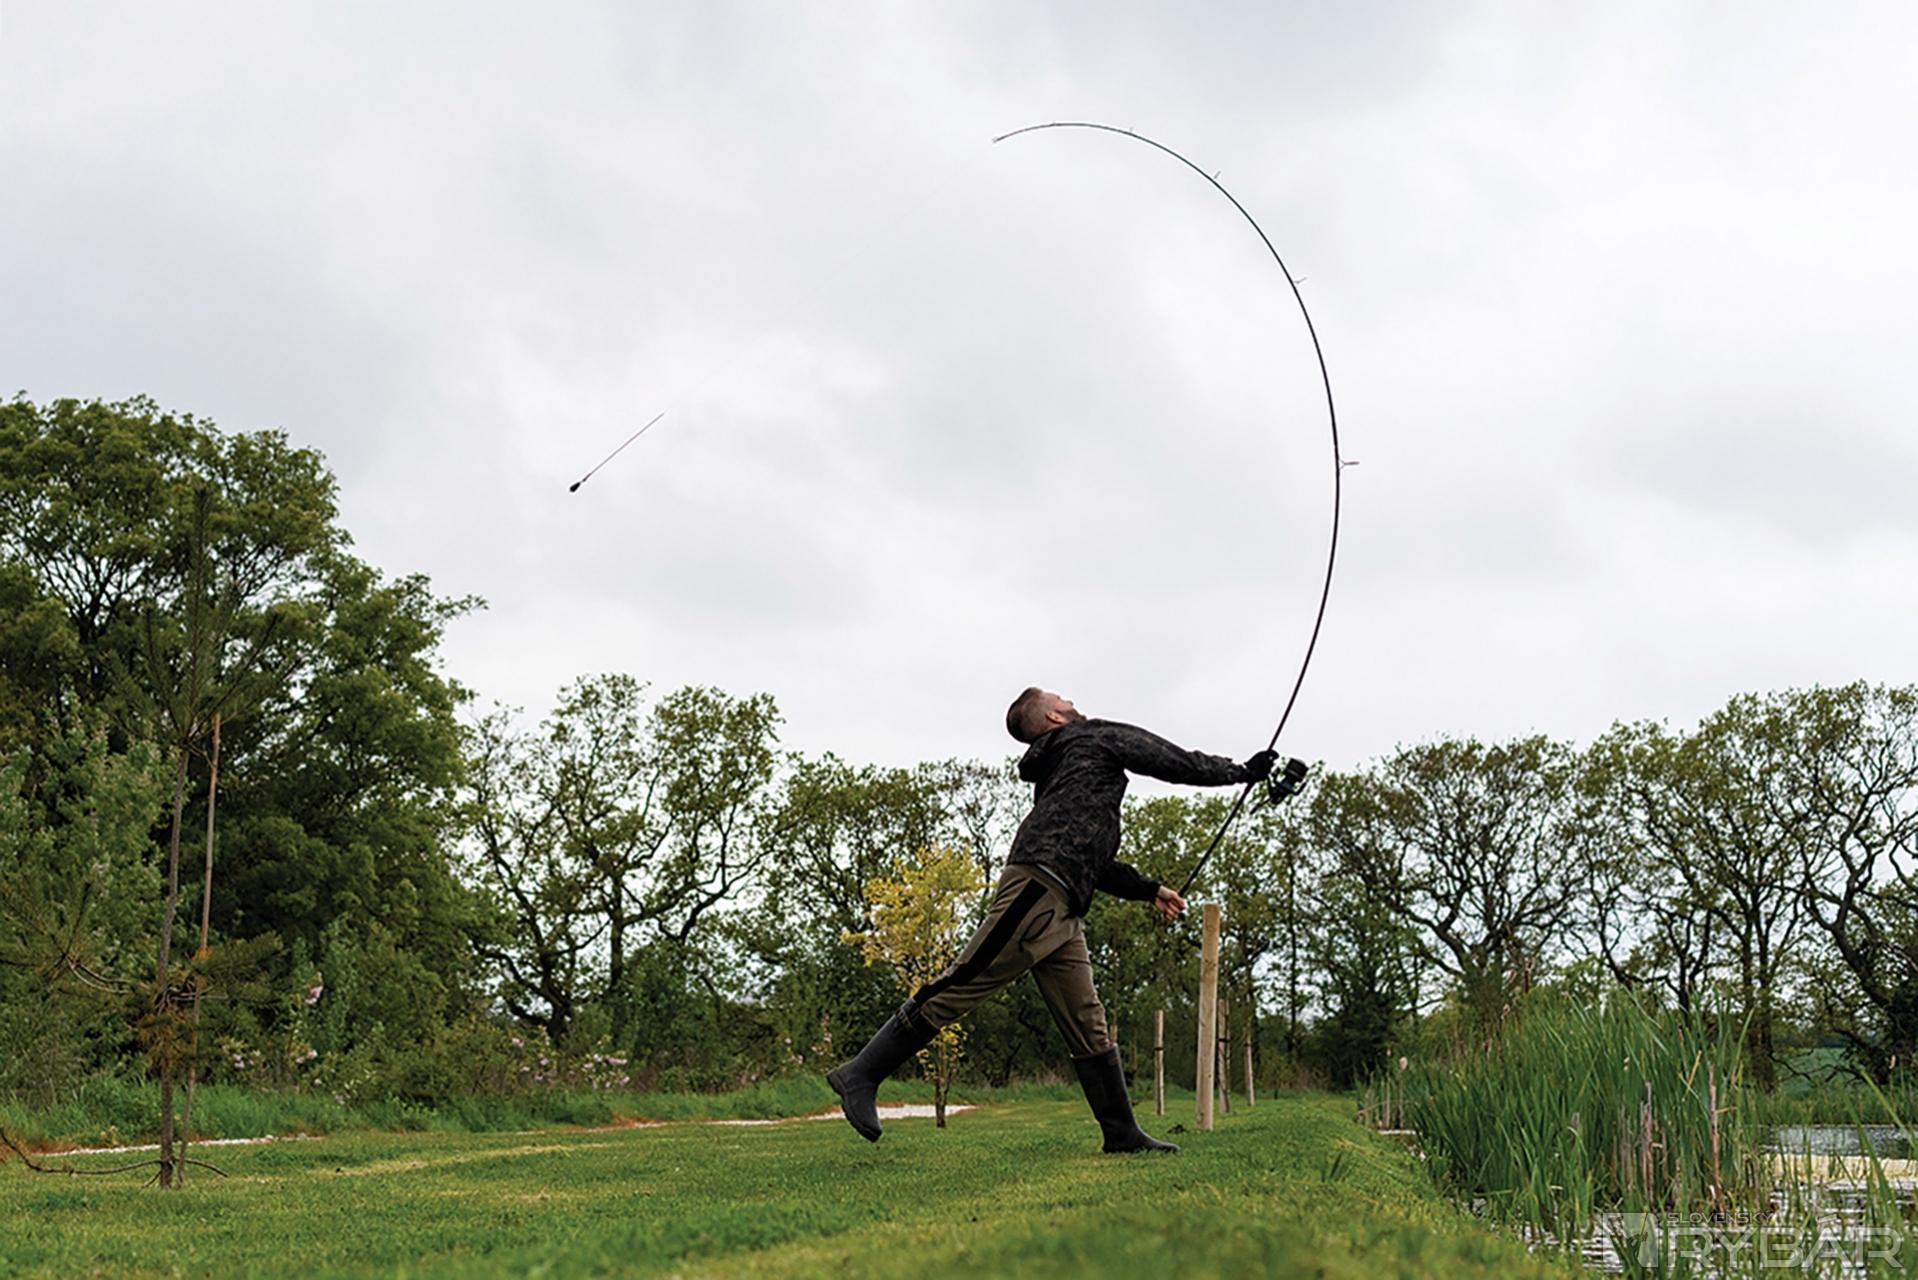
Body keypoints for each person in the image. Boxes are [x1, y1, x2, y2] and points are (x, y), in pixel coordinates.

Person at [826, 687, 1276, 1154]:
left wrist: (1149, 890)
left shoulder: (1065, 768)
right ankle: (861, 1073)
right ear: (1055, 717)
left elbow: (1091, 855)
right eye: (1061, 698)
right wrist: (1240, 771)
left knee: (1087, 1020)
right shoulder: (1091, 736)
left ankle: (1121, 1134)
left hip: (1064, 906)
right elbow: (1164, 757)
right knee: (966, 979)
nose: (1071, 699)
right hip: (1039, 886)